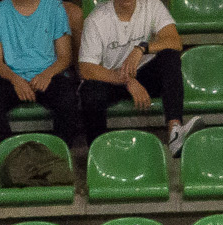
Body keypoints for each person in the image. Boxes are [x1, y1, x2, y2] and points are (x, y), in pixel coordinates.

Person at [76, 0, 197, 151]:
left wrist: (141, 48)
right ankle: (98, 150)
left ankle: (175, 131)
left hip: (143, 73)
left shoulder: (151, 5)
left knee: (170, 55)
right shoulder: (96, 20)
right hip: (112, 79)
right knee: (90, 92)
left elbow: (174, 41)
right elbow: (86, 68)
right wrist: (127, 80)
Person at [0, 0, 83, 145]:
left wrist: (46, 75)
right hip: (11, 76)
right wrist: (16, 80)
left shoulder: (55, 8)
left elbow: (64, 56)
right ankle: (9, 151)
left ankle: (59, 151)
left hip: (48, 74)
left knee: (67, 100)